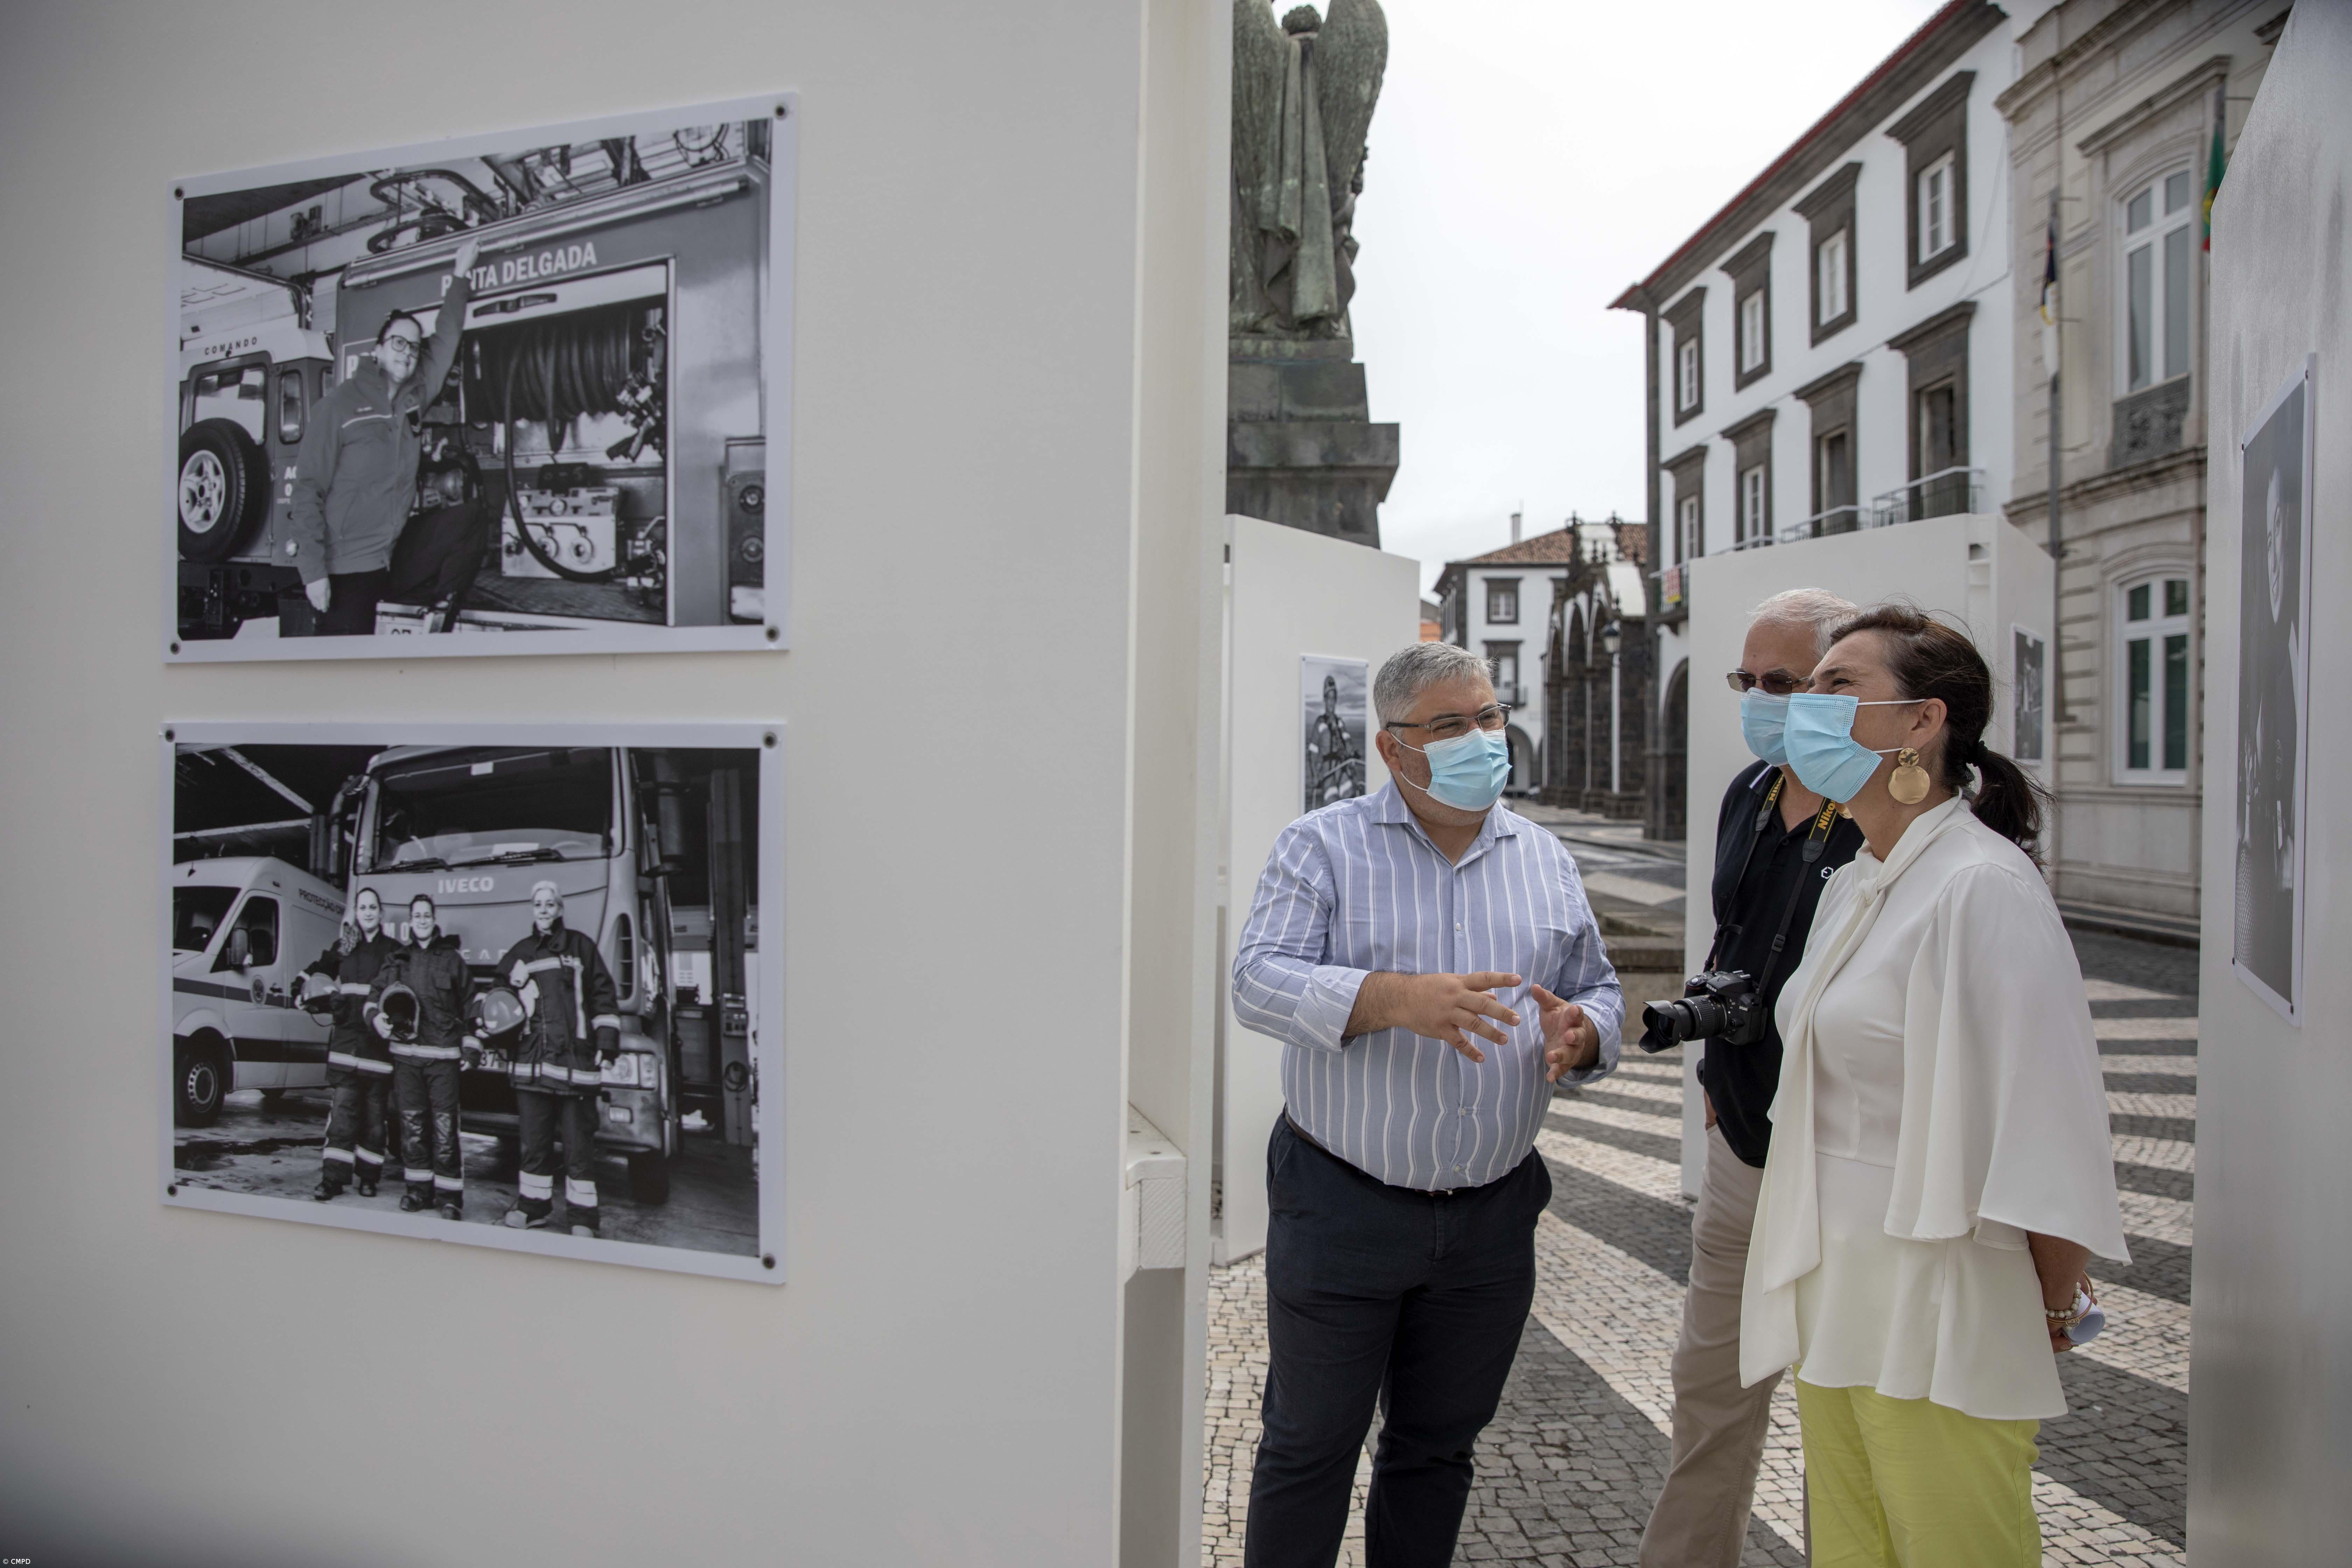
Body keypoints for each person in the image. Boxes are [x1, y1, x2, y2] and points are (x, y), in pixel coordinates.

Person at [1740, 604, 2127, 1568]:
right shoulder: (1858, 879)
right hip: (1838, 1293)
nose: (1806, 709)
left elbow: (2050, 1120)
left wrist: (2042, 1308)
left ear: (1924, 724)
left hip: (1945, 1303)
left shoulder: (1981, 887)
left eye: (1839, 687)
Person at [1231, 639, 1624, 1568]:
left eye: (1487, 717)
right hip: (1343, 1207)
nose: (1481, 739)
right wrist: (1391, 999)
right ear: (1394, 748)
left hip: (1490, 1220)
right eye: (1451, 726)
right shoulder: (1320, 846)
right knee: (1309, 1448)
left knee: (1437, 1451)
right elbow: (1255, 982)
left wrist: (1588, 1033)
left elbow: (1597, 987)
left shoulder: (1546, 858)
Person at [1635, 589, 1865, 1566]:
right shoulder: (1748, 792)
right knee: (1708, 1394)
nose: (1763, 699)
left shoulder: (1886, 811)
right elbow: (1734, 939)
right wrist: (1712, 1076)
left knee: (1842, 1417)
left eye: (1786, 683)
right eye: (1749, 681)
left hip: (1845, 1163)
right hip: (1742, 1148)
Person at [287, 236, 485, 635]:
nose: (407, 352)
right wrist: (313, 573)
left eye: (414, 346)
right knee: (348, 679)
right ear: (377, 351)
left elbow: (445, 343)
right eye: (398, 342)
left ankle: (442, 613)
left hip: (392, 555)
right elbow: (307, 489)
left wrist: (460, 276)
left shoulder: (412, 400)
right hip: (347, 568)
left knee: (471, 518)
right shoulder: (338, 407)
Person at [496, 881, 622, 1238]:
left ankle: (582, 1217)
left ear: (560, 909)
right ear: (532, 909)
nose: (544, 910)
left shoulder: (581, 947)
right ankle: (533, 1207)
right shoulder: (520, 953)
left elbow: (603, 995)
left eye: (550, 904)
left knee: (577, 1144)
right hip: (532, 1066)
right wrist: (512, 987)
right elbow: (497, 999)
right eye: (538, 904)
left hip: (575, 1066)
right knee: (533, 1143)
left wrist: (608, 1041)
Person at [369, 894, 476, 1219]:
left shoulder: (452, 960)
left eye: (427, 915)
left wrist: (471, 1047)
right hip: (407, 1061)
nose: (422, 920)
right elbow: (375, 994)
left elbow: (471, 1004)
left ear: (434, 919)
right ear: (410, 921)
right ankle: (417, 1193)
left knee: (445, 1130)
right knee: (413, 1129)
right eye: (417, 916)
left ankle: (450, 1198)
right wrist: (376, 1018)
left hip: (443, 1059)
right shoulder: (398, 959)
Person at [301, 887, 402, 1201]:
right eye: (363, 908)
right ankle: (333, 1180)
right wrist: (302, 992)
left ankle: (369, 1177)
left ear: (381, 914)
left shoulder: (395, 951)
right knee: (342, 1117)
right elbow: (314, 973)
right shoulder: (343, 948)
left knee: (375, 1121)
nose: (369, 913)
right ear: (356, 913)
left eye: (374, 908)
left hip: (377, 1050)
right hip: (347, 1048)